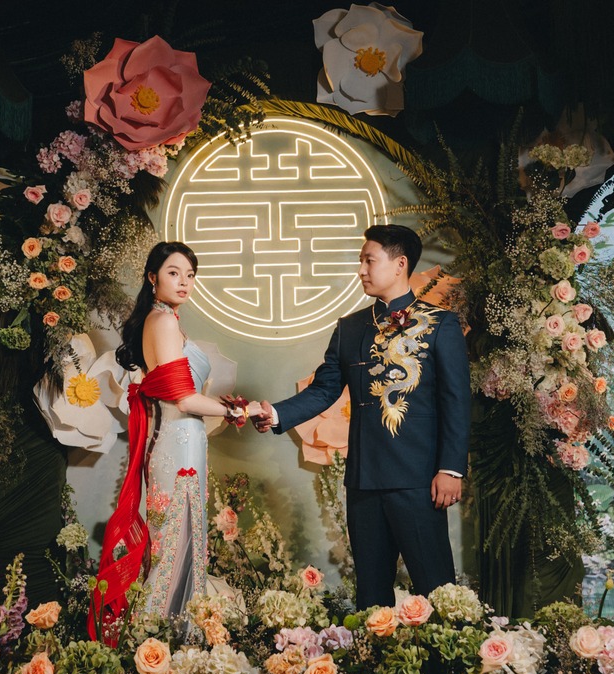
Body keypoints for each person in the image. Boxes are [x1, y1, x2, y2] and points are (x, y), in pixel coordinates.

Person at [250, 224, 468, 610]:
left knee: (439, 592)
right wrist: (276, 413)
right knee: (371, 598)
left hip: (419, 481)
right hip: (364, 481)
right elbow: (324, 389)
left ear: (400, 264)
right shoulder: (350, 328)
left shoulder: (440, 323)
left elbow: (456, 400)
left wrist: (451, 469)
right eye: (361, 261)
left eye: (369, 261)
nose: (361, 270)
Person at [90, 242, 249, 641]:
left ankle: (172, 638)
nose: (184, 282)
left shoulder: (163, 320)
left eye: (190, 275)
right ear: (152, 277)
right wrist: (233, 411)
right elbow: (183, 399)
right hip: (178, 442)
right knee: (176, 541)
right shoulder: (162, 322)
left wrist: (225, 407)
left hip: (180, 439)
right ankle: (163, 639)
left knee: (179, 540)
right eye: (174, 273)